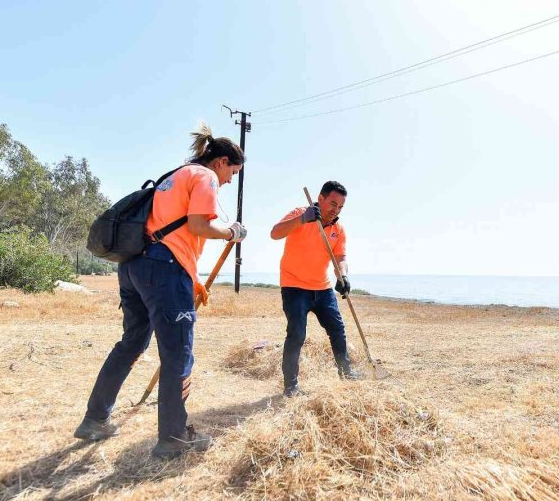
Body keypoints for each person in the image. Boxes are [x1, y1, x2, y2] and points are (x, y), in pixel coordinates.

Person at [73, 123, 247, 459]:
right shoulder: (204, 177)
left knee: (131, 344)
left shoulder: (175, 175)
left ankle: (94, 420)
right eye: (233, 172)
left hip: (136, 265)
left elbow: (171, 230)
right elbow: (198, 225)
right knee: (178, 352)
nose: (229, 181)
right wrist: (232, 232)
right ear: (222, 162)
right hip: (164, 270)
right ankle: (174, 437)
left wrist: (190, 278)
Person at [270, 181, 362, 397]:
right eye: (332, 204)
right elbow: (275, 233)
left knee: (337, 330)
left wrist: (343, 275)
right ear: (320, 198)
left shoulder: (338, 229)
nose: (335, 210)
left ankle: (346, 372)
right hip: (294, 287)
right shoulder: (300, 213)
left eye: (340, 207)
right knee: (297, 335)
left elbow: (341, 257)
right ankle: (290, 386)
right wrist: (303, 219)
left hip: (322, 288)